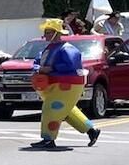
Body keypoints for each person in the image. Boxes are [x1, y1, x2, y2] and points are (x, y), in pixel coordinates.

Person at [30, 19, 102, 150]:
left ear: (56, 33)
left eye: (48, 32)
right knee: (65, 110)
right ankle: (91, 130)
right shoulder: (51, 47)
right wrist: (38, 69)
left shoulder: (67, 49)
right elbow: (37, 61)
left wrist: (51, 69)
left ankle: (48, 139)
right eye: (45, 32)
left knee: (50, 110)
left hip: (66, 84)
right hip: (55, 84)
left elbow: (73, 67)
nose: (45, 35)